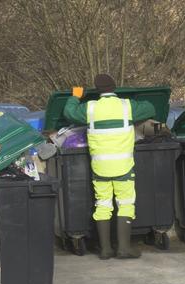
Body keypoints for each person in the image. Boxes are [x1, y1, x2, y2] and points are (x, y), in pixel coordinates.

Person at [63, 74, 155, 259]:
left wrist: (75, 96)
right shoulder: (126, 106)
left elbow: (69, 112)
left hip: (100, 168)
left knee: (103, 204)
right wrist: (135, 100)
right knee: (126, 203)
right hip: (124, 167)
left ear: (97, 90)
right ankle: (124, 248)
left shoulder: (90, 108)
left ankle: (105, 249)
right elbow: (151, 108)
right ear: (114, 87)